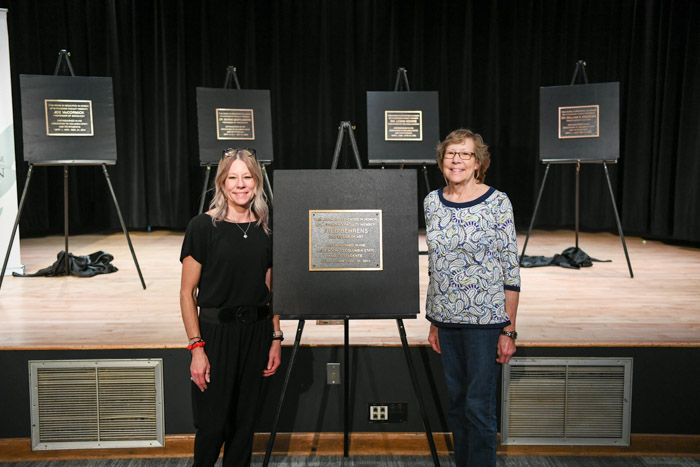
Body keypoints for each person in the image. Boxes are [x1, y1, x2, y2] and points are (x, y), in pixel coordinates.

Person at [180, 148, 282, 466]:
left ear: (257, 181)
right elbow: (186, 293)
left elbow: (272, 289)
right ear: (222, 183)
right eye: (233, 177)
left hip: (256, 334)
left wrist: (275, 337)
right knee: (212, 426)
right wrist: (197, 348)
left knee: (244, 428)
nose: (241, 184)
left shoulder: (267, 229)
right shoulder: (202, 227)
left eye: (247, 177)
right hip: (216, 336)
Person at [425, 129, 520, 467]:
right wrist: (434, 322)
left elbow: (511, 269)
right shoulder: (432, 202)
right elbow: (435, 267)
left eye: (465, 154)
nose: (457, 160)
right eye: (451, 153)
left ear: (478, 163)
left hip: (485, 323)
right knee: (457, 403)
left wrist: (509, 330)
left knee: (478, 406)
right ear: (441, 161)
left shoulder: (497, 202)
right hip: (446, 321)